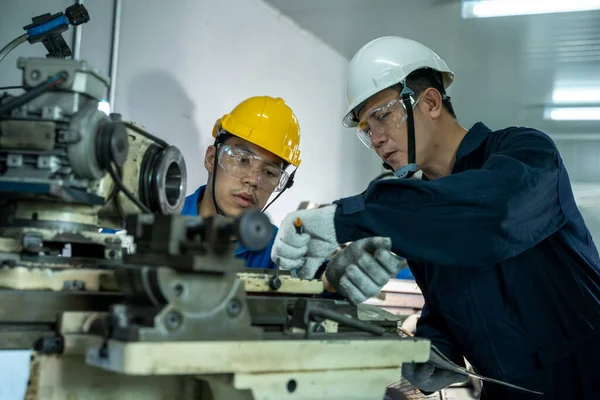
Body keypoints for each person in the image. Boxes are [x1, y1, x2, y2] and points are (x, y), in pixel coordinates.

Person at [271, 36, 600, 399]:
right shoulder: (420, 217)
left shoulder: (527, 154)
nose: (376, 138)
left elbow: (491, 217)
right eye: (367, 130)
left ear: (430, 102)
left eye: (382, 117)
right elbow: (446, 307)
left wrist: (342, 217)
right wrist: (430, 351)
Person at [183, 95, 301, 269]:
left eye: (269, 172)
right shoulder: (160, 220)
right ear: (211, 159)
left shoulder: (278, 249)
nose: (253, 181)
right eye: (242, 160)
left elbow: (325, 278)